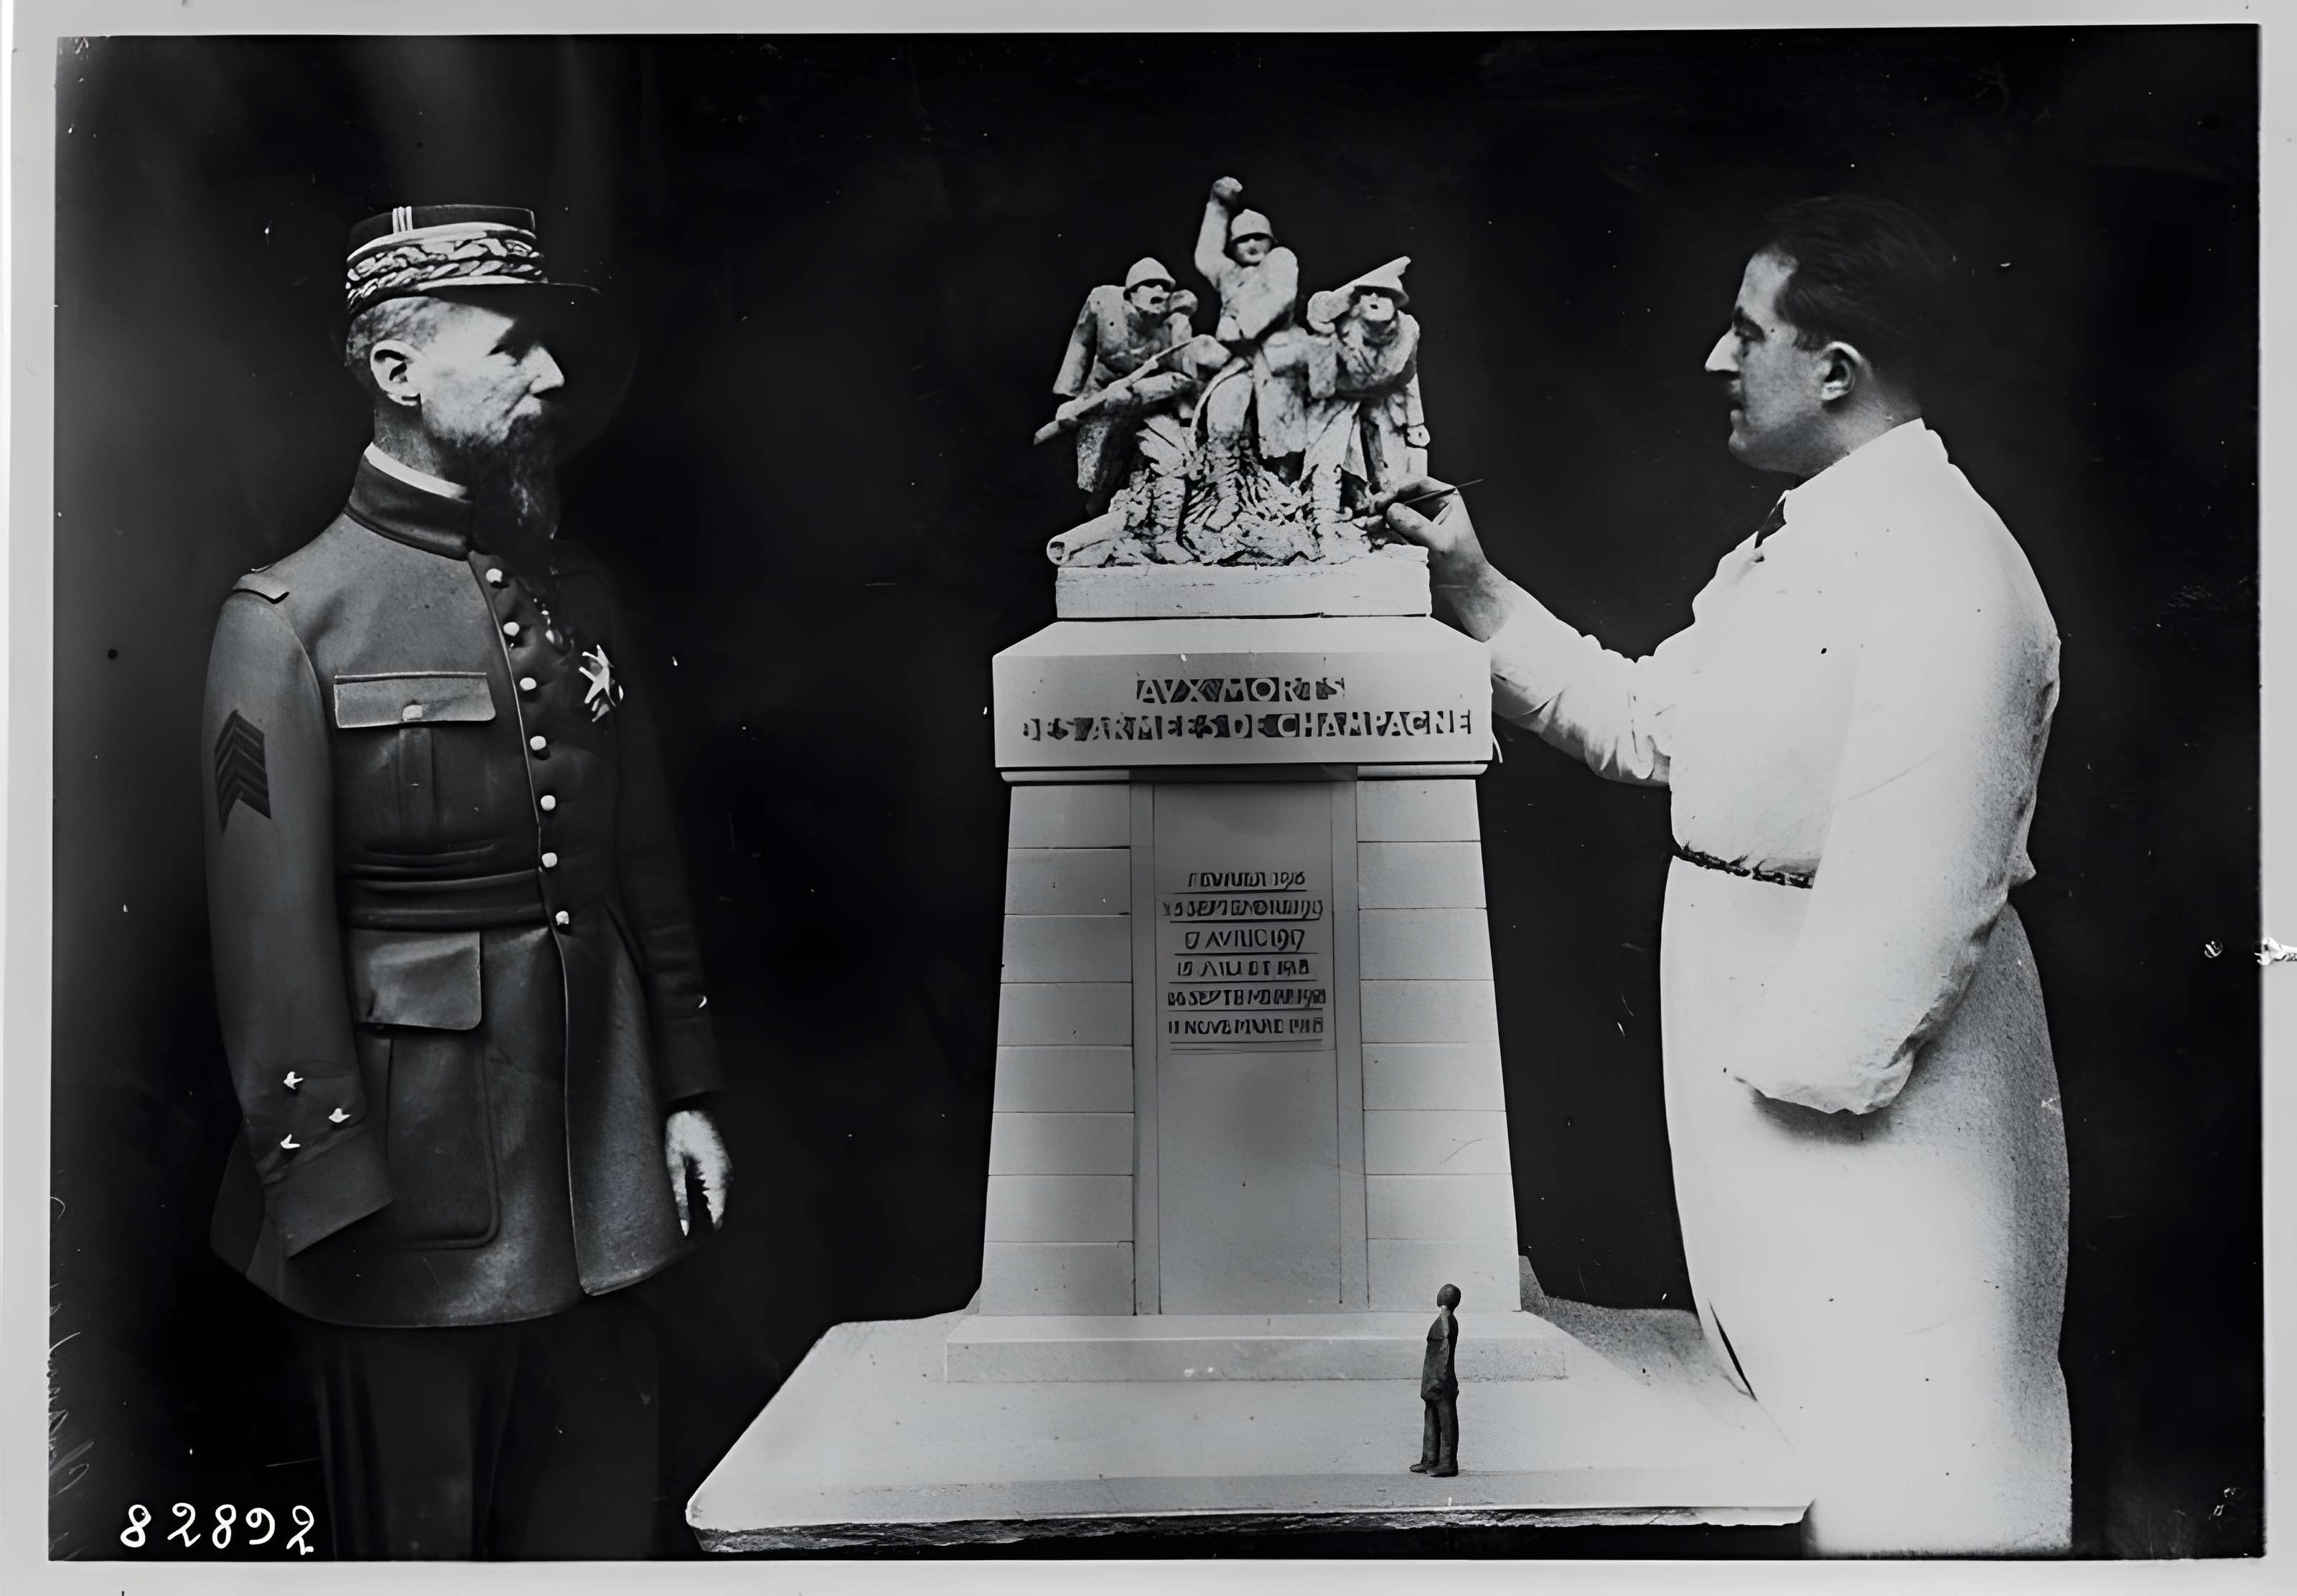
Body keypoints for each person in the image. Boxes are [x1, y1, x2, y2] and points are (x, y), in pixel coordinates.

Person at [1379, 196, 2069, 1555]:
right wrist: (1473, 588)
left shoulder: (1949, 562)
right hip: (1767, 1043)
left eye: (1747, 329)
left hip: (1872, 1094)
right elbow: (1650, 724)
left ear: (1837, 372)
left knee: (1914, 1468)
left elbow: (1925, 881)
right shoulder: (1803, 539)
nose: (1716, 357)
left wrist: (1787, 1098)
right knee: (1801, 1451)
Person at [200, 203, 734, 1558]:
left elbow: (639, 860)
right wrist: (322, 1178)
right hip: (404, 1178)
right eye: (516, 348)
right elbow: (267, 940)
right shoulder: (287, 621)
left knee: (600, 1528)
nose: (550, 380)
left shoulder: (581, 595)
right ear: (399, 371)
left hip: (602, 1161)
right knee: (419, 1548)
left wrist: (684, 1087)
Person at [1191, 176, 1317, 527]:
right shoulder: (1229, 274)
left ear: (1271, 240)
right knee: (1222, 421)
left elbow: (1282, 297)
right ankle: (1227, 499)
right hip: (1237, 363)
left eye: (1257, 236)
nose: (1250, 244)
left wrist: (1241, 327)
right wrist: (1218, 206)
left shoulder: (1280, 260)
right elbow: (1205, 255)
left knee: (1284, 430)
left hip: (1279, 359)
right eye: (1242, 239)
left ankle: (1289, 500)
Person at [1411, 1282, 1461, 1478]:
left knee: (1446, 1423)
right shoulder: (1443, 1319)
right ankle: (1430, 1459)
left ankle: (1447, 1463)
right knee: (1431, 1420)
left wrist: (1438, 1380)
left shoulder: (1446, 1320)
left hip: (1441, 1380)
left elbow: (1445, 1349)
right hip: (1433, 1379)